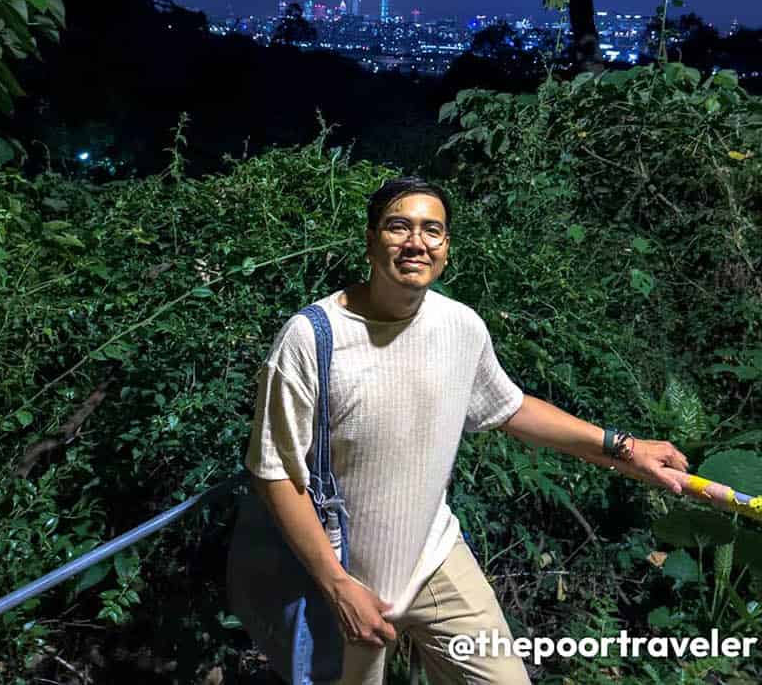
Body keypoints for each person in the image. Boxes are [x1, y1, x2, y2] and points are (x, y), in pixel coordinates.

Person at [245, 176, 691, 685]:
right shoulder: (311, 339)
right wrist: (335, 583)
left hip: (434, 557)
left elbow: (510, 407)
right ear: (370, 241)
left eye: (432, 231)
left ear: (446, 250)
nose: (416, 242)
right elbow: (276, 475)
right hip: (344, 576)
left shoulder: (461, 326)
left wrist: (622, 448)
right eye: (398, 227)